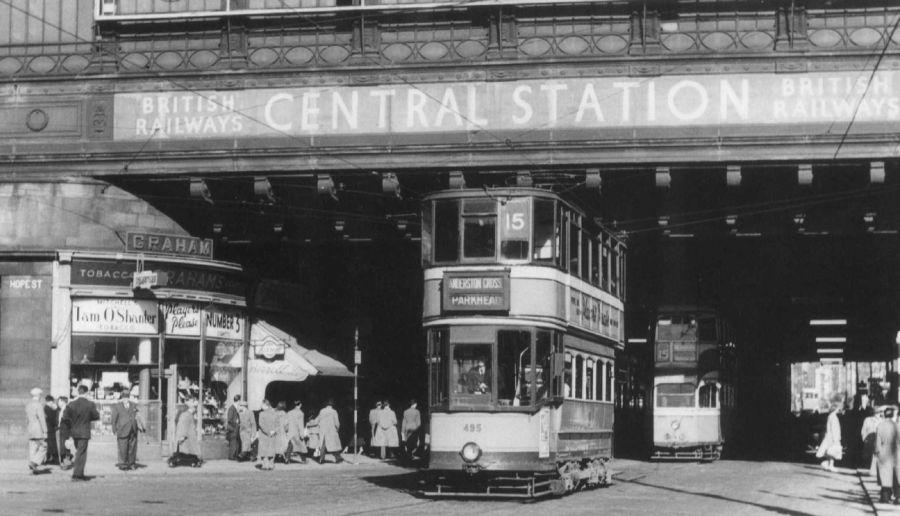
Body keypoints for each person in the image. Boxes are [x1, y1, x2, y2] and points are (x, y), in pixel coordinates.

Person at [59, 384, 100, 481]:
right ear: (87, 392)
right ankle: (77, 474)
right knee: (81, 453)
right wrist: (87, 418)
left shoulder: (71, 404)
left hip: (74, 431)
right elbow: (96, 416)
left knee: (79, 451)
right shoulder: (90, 404)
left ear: (78, 392)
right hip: (84, 431)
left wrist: (72, 423)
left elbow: (65, 417)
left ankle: (78, 473)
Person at [110, 393, 145, 470]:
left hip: (133, 429)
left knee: (132, 448)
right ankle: (123, 464)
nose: (126, 399)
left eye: (127, 397)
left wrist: (140, 426)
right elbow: (114, 419)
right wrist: (114, 429)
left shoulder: (134, 405)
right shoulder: (117, 406)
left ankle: (131, 463)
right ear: (121, 398)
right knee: (122, 447)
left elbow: (138, 416)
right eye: (124, 397)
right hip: (122, 429)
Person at [875, 406, 899, 504]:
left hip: (884, 452)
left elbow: (877, 442)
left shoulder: (880, 426)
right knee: (897, 475)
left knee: (885, 475)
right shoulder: (897, 426)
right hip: (896, 452)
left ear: (884, 415)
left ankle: (885, 497)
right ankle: (898, 497)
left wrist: (877, 452)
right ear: (893, 414)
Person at [816, 399, 843, 472]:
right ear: (835, 408)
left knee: (830, 451)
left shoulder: (830, 416)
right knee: (833, 452)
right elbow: (834, 429)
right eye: (838, 408)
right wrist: (835, 439)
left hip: (829, 437)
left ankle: (828, 464)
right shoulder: (833, 417)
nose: (839, 409)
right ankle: (830, 465)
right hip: (833, 437)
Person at [25, 387, 48, 474]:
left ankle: (32, 465)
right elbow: (42, 419)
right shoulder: (38, 405)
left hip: (30, 429)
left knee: (32, 448)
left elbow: (27, 419)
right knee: (43, 447)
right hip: (38, 429)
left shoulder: (28, 405)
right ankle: (34, 462)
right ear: (38, 395)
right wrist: (45, 431)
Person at [173, 401, 201, 466]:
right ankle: (193, 462)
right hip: (188, 436)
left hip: (187, 436)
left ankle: (192, 462)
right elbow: (183, 426)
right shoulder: (187, 415)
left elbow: (184, 426)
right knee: (189, 451)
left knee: (187, 451)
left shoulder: (186, 415)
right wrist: (182, 436)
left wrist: (182, 436)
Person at [316, 399, 344, 464]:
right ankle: (338, 458)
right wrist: (337, 429)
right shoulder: (334, 412)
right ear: (332, 405)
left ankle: (321, 459)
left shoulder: (322, 411)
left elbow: (318, 419)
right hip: (331, 431)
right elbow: (337, 422)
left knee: (323, 445)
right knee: (332, 446)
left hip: (323, 431)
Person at [257, 399, 278, 471]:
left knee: (264, 451)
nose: (261, 406)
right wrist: (273, 431)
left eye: (262, 405)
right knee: (271, 450)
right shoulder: (274, 413)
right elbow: (278, 424)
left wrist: (268, 432)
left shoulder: (261, 414)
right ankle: (271, 465)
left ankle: (265, 465)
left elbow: (261, 425)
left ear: (265, 405)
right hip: (273, 435)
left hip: (264, 435)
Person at [861, 406, 883, 475]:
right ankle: (870, 469)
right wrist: (864, 438)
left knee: (875, 455)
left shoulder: (881, 420)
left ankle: (874, 470)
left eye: (879, 413)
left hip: (877, 440)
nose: (878, 414)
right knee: (869, 455)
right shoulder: (867, 419)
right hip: (869, 440)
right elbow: (863, 430)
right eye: (876, 413)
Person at [56, 397, 72, 469]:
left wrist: (64, 419)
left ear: (63, 401)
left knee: (65, 446)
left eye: (59, 401)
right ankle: (63, 461)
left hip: (66, 430)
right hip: (60, 430)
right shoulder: (59, 410)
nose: (58, 403)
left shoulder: (68, 409)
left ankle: (66, 462)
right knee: (62, 446)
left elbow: (70, 420)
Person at [43, 395, 60, 466]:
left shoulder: (46, 408)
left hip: (49, 428)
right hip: (50, 428)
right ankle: (52, 459)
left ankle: (50, 458)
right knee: (51, 444)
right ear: (50, 401)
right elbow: (52, 418)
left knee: (50, 444)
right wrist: (56, 410)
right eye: (52, 402)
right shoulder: (47, 408)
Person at [225, 394, 242, 461]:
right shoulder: (232, 408)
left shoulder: (234, 408)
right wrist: (236, 422)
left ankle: (234, 455)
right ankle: (231, 456)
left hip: (235, 428)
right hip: (233, 428)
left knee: (235, 442)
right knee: (233, 442)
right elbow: (229, 419)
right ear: (238, 401)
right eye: (240, 401)